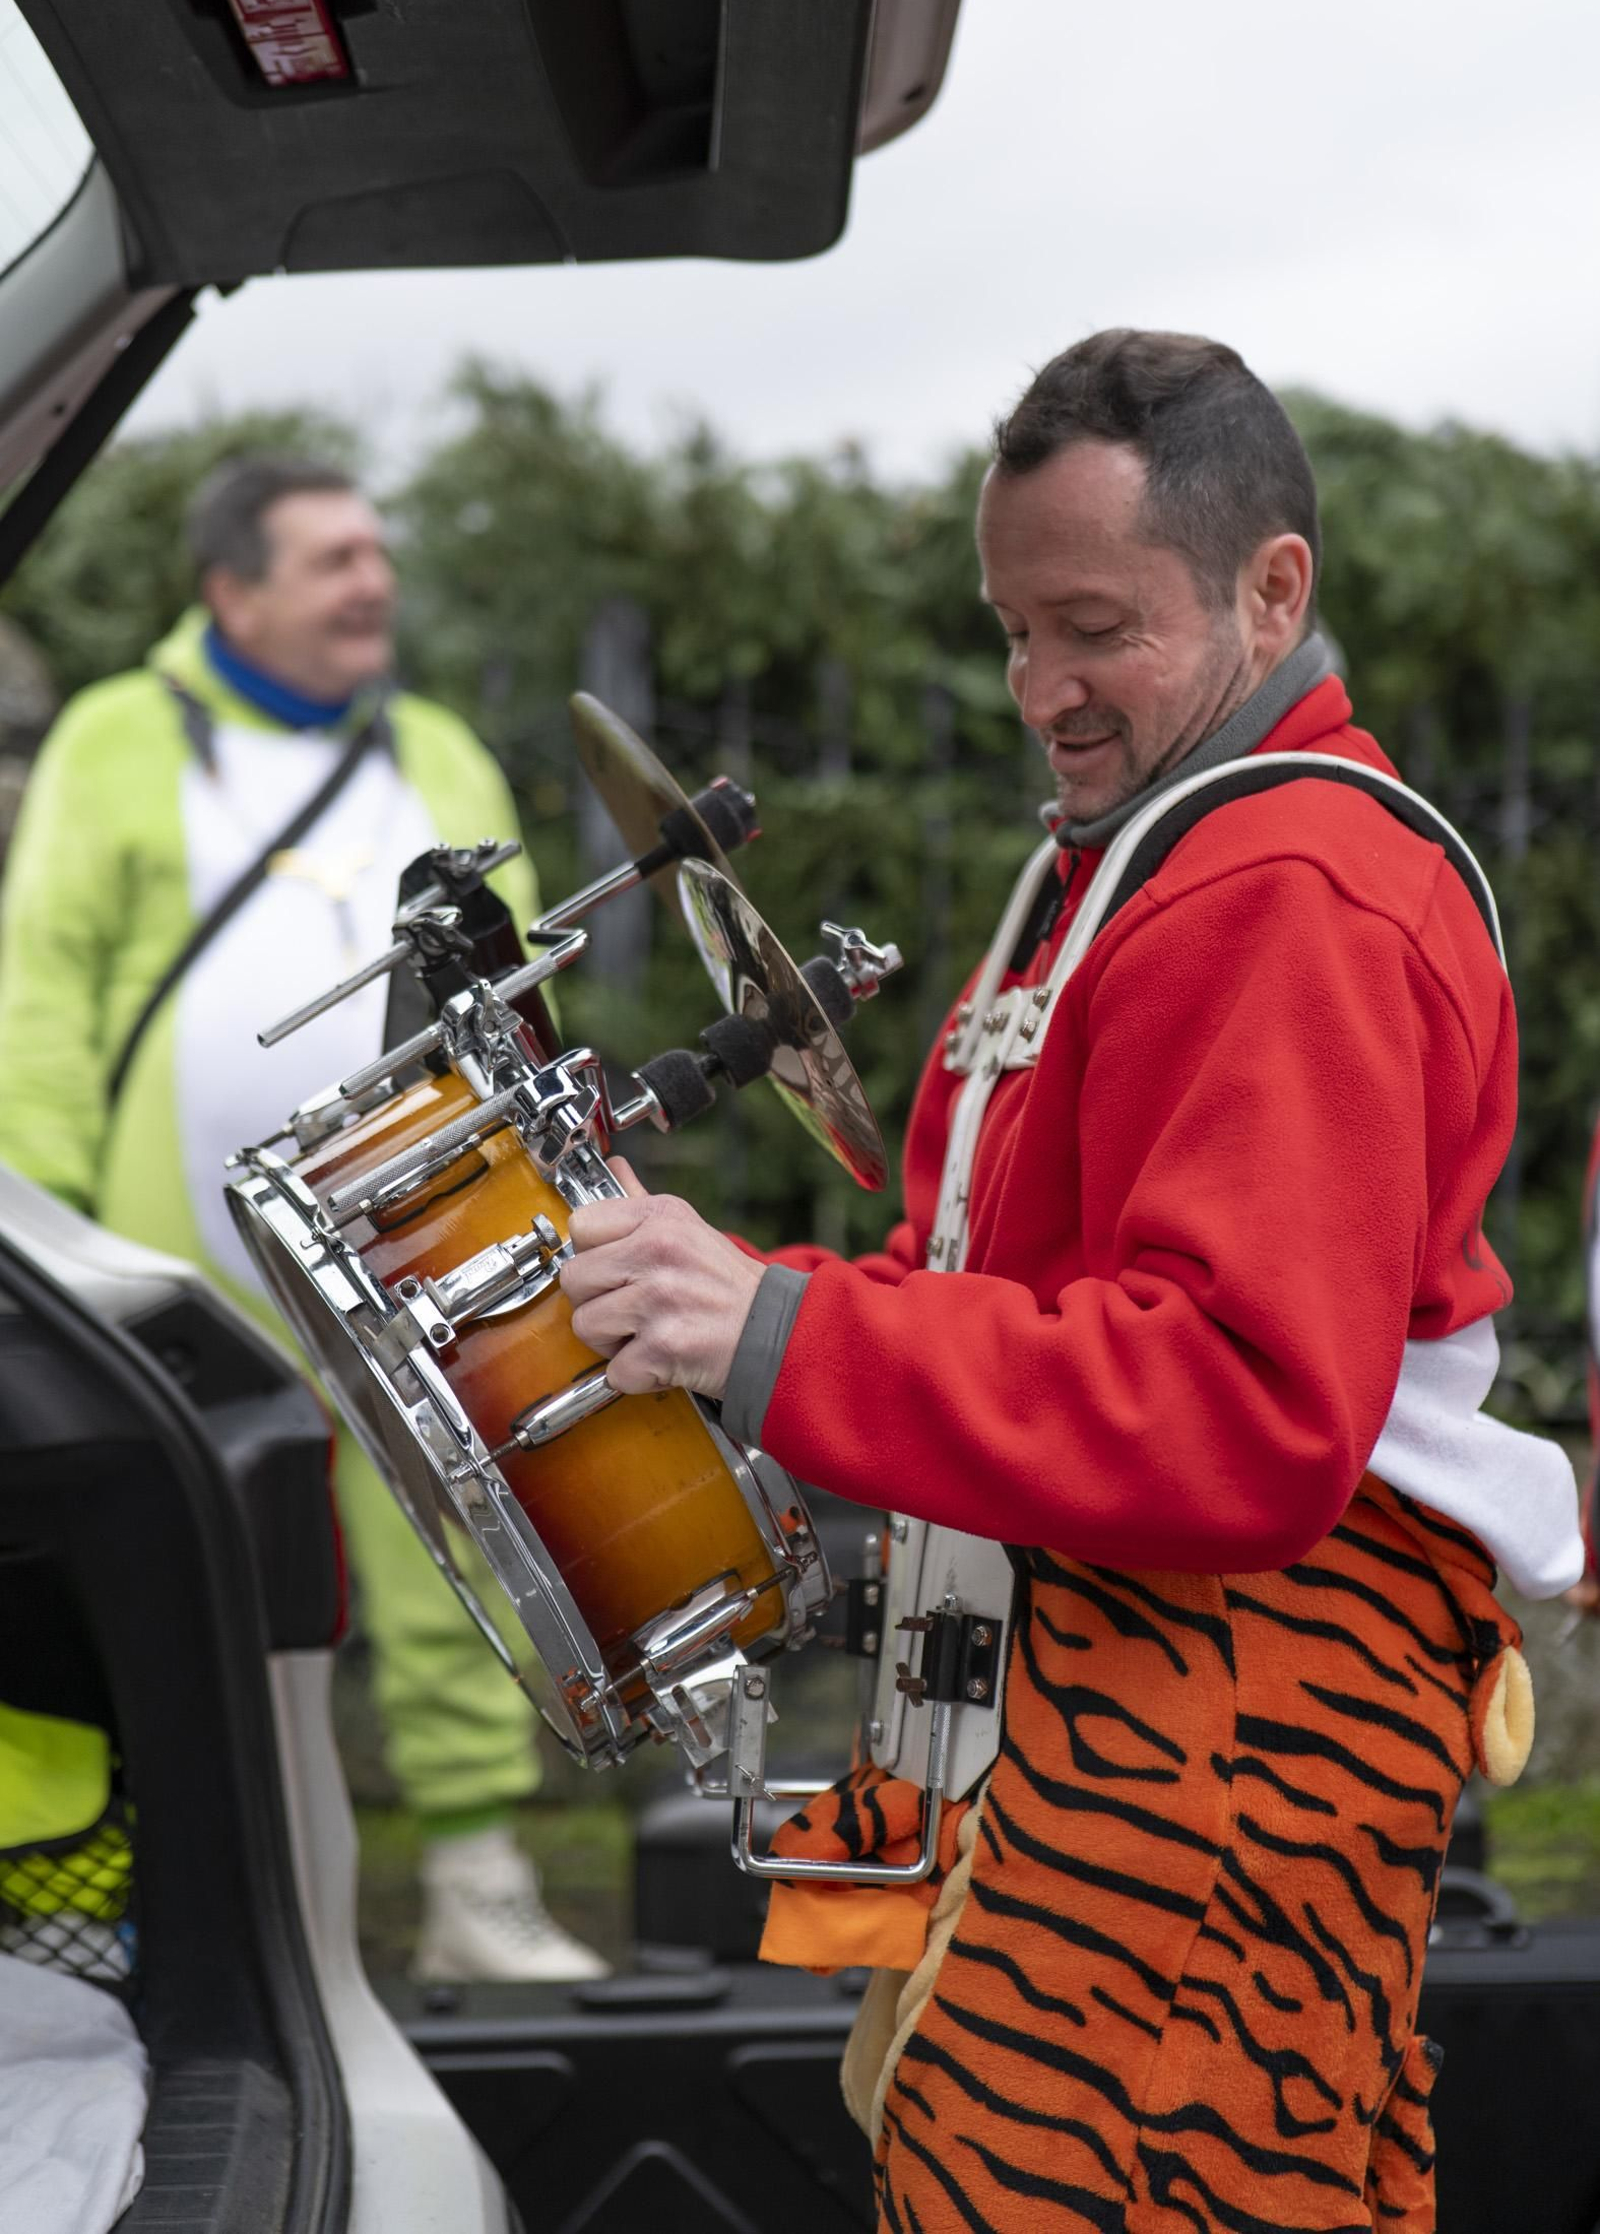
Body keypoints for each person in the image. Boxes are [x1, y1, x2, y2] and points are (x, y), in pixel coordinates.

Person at [556, 331, 1583, 2228]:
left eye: (1095, 629)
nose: (1041, 691)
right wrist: (714, 1297)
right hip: (1092, 1699)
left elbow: (1239, 1407)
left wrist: (771, 1330)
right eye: (1015, 631)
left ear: (1273, 588)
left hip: (1222, 1726)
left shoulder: (1291, 886)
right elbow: (975, 1272)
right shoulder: (1124, 859)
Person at [0, 454, 605, 1981]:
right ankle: (200, 1903)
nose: (374, 582)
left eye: (377, 552)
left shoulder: (441, 747)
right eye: (333, 558)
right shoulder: (114, 737)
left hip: (423, 1247)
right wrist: (45, 1243)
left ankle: (474, 1874)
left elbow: (515, 991)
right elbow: (43, 993)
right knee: (188, 1574)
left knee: (463, 1534)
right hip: (173, 1270)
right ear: (232, 591)